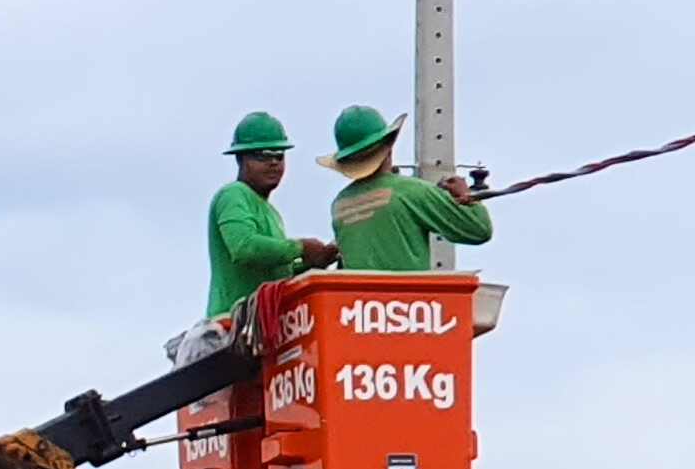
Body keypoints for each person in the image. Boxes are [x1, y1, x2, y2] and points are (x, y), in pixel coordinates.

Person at [322, 105, 493, 271]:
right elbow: (479, 230)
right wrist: (467, 196)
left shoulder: (340, 204)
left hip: (356, 299)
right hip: (408, 298)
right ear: (389, 144)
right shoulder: (411, 192)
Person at [207, 111, 337, 320]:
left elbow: (275, 276)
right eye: (263, 156)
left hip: (259, 328)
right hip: (231, 328)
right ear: (241, 159)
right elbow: (244, 247)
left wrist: (312, 263)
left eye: (279, 156)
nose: (273, 163)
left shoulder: (271, 213)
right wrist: (301, 248)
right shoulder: (233, 194)